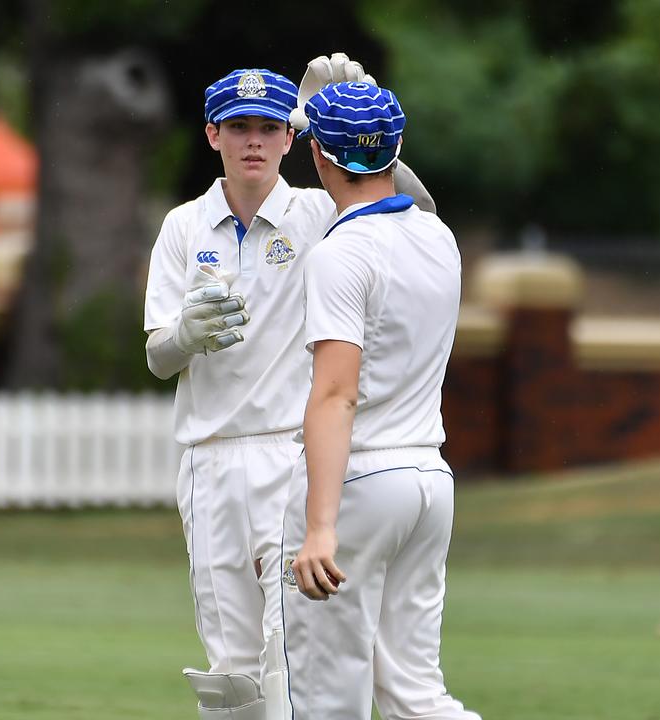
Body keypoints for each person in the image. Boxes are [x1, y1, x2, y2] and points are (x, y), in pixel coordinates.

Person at [143, 59, 434, 720]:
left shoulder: (314, 214)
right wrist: (184, 334)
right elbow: (159, 357)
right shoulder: (184, 228)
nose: (253, 140)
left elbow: (415, 208)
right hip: (209, 460)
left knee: (295, 648)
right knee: (232, 667)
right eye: (238, 126)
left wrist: (344, 119)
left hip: (291, 457)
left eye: (269, 127)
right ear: (212, 134)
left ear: (289, 137)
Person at [280, 80, 479, 720]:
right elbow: (410, 194)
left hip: (365, 479)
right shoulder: (438, 239)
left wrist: (319, 527)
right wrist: (365, 120)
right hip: (429, 482)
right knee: (414, 694)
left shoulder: (340, 255)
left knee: (326, 694)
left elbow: (335, 395)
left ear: (320, 158)